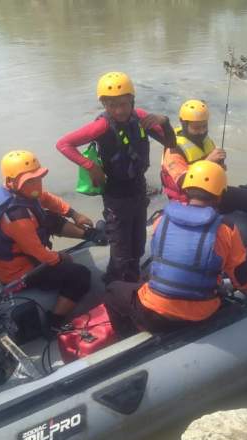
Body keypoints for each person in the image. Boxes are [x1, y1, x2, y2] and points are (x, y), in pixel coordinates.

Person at [105, 161, 247, 335]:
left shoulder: (161, 220)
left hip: (153, 315)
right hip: (200, 316)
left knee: (112, 290)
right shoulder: (226, 230)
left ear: (186, 191)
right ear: (219, 196)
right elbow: (242, 282)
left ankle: (127, 337)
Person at [56, 71, 177, 284]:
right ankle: (115, 282)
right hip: (115, 195)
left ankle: (131, 276)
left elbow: (171, 144)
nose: (119, 110)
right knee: (121, 249)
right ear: (104, 105)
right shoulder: (102, 125)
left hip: (139, 189)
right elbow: (64, 144)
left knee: (138, 244)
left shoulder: (140, 118)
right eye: (111, 105)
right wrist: (90, 165)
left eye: (123, 103)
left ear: (132, 100)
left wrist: (165, 122)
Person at [0, 150, 104, 324]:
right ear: (11, 182)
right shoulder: (16, 216)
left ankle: (92, 235)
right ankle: (55, 320)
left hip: (23, 256)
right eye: (30, 181)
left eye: (38, 178)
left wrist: (74, 214)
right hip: (18, 273)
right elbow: (37, 253)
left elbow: (47, 199)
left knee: (47, 217)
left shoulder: (21, 192)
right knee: (80, 275)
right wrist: (60, 258)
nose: (36, 185)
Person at [160, 99, 247, 237]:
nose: (201, 132)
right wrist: (209, 161)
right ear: (184, 123)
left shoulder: (205, 140)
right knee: (244, 206)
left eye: (204, 126)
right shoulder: (173, 149)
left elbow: (212, 172)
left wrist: (218, 167)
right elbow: (182, 181)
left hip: (212, 193)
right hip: (189, 201)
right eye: (196, 128)